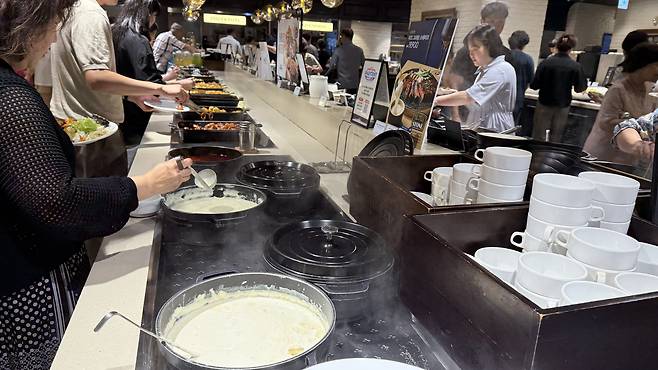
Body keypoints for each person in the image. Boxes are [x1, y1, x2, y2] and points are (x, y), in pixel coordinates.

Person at [0, 1, 193, 367]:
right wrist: (145, 185)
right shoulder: (10, 97)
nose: (57, 34)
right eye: (54, 23)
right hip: (26, 285)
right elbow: (59, 203)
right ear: (26, 24)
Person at [50, 0, 189, 178]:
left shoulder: (71, 11)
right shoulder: (91, 14)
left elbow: (78, 78)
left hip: (76, 129)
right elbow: (97, 77)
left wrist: (129, 96)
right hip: (94, 135)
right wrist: (161, 88)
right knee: (107, 201)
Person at [112, 0, 194, 147]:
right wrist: (177, 87)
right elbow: (152, 86)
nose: (154, 20)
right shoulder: (138, 40)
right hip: (135, 116)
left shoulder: (114, 32)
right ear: (148, 14)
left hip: (117, 111)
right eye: (154, 15)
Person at [584, 43, 658, 165]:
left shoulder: (649, 89)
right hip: (604, 153)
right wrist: (636, 126)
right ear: (644, 64)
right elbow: (606, 122)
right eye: (656, 65)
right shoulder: (619, 89)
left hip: (627, 156)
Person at [433, 24, 517, 132]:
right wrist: (449, 94)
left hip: (495, 130)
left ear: (489, 46)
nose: (471, 54)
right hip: (483, 127)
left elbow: (468, 97)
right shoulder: (486, 69)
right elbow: (476, 100)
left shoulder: (500, 70)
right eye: (469, 50)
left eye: (475, 49)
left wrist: (435, 101)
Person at [530, 34, 587, 142]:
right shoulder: (575, 66)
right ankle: (552, 157)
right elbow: (579, 88)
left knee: (539, 136)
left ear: (557, 46)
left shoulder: (545, 63)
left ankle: (537, 156)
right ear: (571, 48)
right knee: (556, 137)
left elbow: (534, 85)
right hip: (562, 106)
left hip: (544, 103)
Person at [450, 2, 514, 92]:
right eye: (491, 21)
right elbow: (454, 82)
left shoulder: (507, 55)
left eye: (500, 22)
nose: (495, 27)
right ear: (482, 21)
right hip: (465, 102)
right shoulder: (465, 52)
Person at [326, 28, 365, 94]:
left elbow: (331, 66)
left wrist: (324, 74)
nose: (340, 38)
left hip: (342, 84)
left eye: (341, 36)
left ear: (344, 36)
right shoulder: (359, 50)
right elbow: (364, 65)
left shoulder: (338, 50)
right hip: (355, 84)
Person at [508, 30, 534, 124]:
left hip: (500, 97)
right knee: (511, 127)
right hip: (517, 98)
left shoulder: (503, 56)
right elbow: (532, 81)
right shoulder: (527, 59)